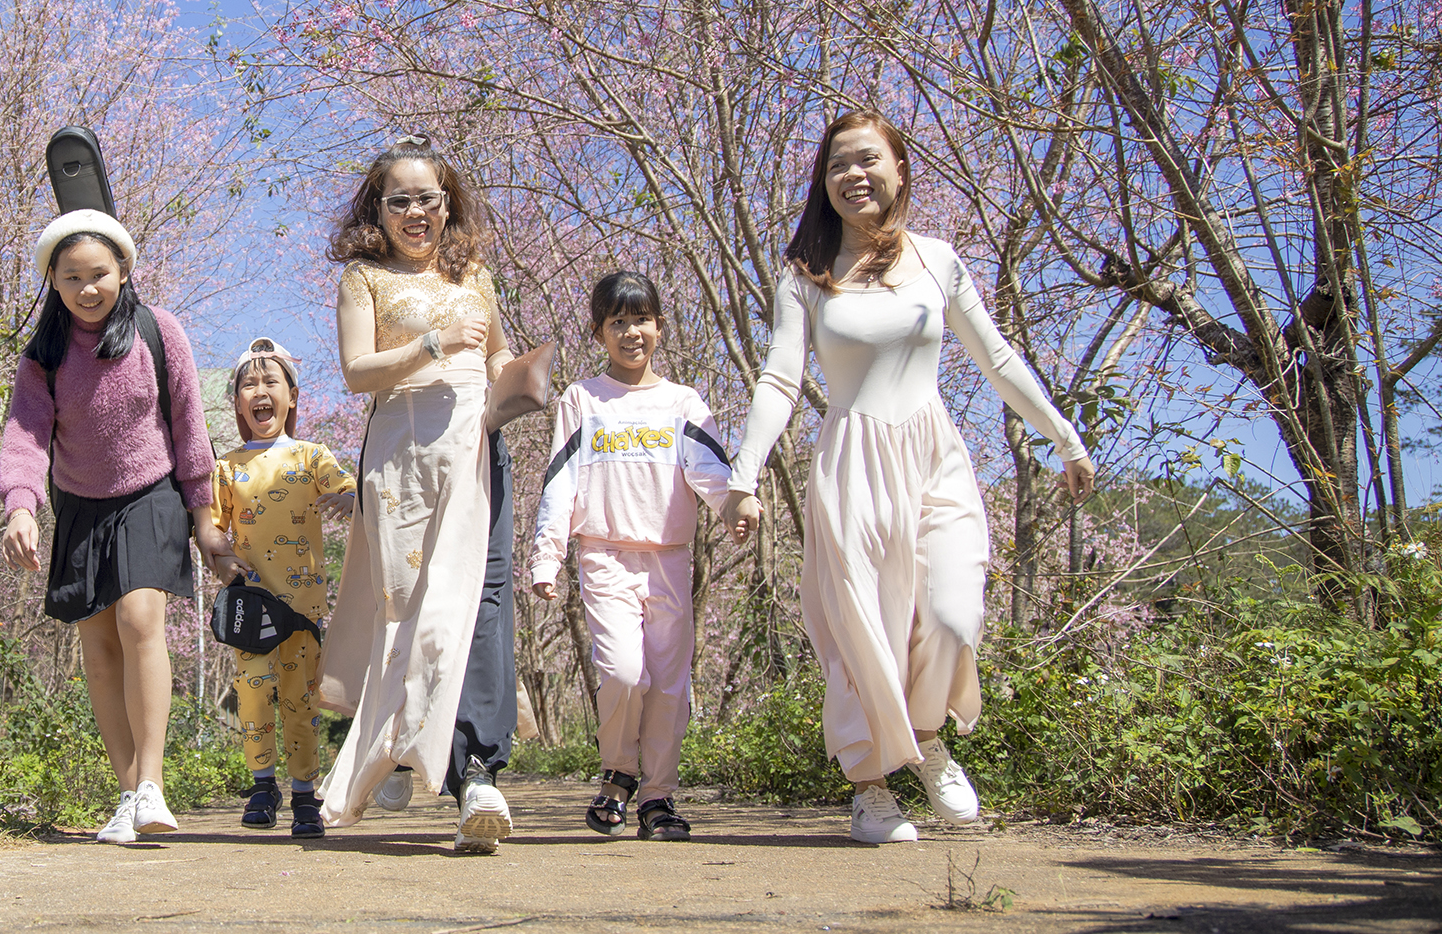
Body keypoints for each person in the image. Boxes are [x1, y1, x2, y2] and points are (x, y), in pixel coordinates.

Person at [726, 111, 1095, 844]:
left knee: (953, 614)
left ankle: (926, 738)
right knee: (863, 629)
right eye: (837, 165)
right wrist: (745, 475)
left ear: (898, 168)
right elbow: (780, 378)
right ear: (823, 183)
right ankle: (870, 786)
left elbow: (997, 357)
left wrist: (1064, 436)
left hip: (933, 455)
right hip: (851, 465)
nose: (852, 175)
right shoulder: (806, 275)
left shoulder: (937, 260)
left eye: (867, 159)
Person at [0, 209, 232, 844]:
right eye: (72, 277)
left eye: (98, 273)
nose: (87, 288)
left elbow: (190, 427)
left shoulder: (158, 331)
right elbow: (25, 437)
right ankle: (127, 793)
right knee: (98, 647)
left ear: (123, 271)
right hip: (80, 503)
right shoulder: (43, 356)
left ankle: (152, 784)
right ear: (54, 281)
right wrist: (21, 505)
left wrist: (205, 521)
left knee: (139, 618)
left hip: (151, 492)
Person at [316, 135, 517, 853]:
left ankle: (478, 773)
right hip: (401, 457)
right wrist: (432, 341)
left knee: (480, 599)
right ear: (378, 209)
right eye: (398, 199)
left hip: (476, 448)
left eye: (427, 198)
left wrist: (516, 377)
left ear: (447, 203)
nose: (415, 212)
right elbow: (357, 371)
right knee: (405, 609)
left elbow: (496, 352)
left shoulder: (475, 274)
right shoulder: (363, 279)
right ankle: (398, 740)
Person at [530, 271, 760, 841]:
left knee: (668, 684)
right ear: (599, 332)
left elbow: (711, 472)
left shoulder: (683, 403)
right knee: (623, 672)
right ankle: (618, 770)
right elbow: (561, 482)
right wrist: (546, 557)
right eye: (618, 322)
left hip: (669, 560)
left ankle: (657, 796)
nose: (631, 332)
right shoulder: (582, 399)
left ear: (659, 326)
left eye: (642, 320)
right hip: (604, 555)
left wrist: (735, 504)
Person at [206, 337, 357, 839]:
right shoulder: (227, 466)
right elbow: (212, 529)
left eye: (271, 381)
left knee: (300, 701)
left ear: (292, 397)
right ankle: (262, 786)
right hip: (251, 607)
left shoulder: (312, 456)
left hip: (303, 608)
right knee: (251, 695)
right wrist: (221, 561)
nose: (260, 391)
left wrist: (350, 498)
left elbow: (347, 486)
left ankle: (304, 794)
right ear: (237, 403)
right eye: (248, 384)